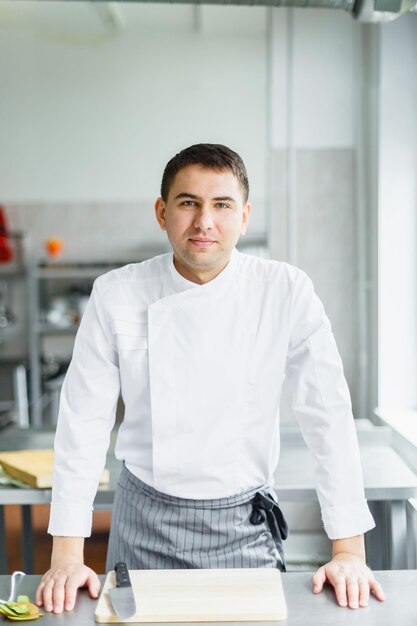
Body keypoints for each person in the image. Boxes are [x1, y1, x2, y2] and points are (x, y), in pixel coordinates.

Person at [36, 143, 385, 614]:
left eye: (221, 205)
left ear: (244, 216)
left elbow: (328, 416)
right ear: (162, 213)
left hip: (244, 528)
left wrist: (348, 552)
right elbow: (82, 424)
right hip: (145, 526)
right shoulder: (116, 294)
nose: (204, 221)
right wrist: (66, 557)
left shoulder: (285, 291)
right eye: (188, 203)